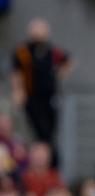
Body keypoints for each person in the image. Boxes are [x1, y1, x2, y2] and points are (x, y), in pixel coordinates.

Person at [11, 18, 72, 146]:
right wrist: (18, 91)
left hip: (49, 96)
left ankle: (49, 159)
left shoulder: (51, 51)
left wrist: (58, 75)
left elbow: (67, 60)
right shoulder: (23, 51)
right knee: (37, 132)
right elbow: (16, 72)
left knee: (50, 133)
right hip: (32, 96)